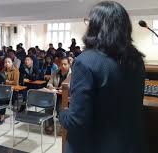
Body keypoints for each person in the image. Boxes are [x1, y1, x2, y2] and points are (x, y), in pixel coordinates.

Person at [59, 1, 146, 153]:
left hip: (93, 146)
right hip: (129, 144)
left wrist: (62, 112)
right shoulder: (137, 60)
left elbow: (76, 121)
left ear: (96, 26)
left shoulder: (86, 62)